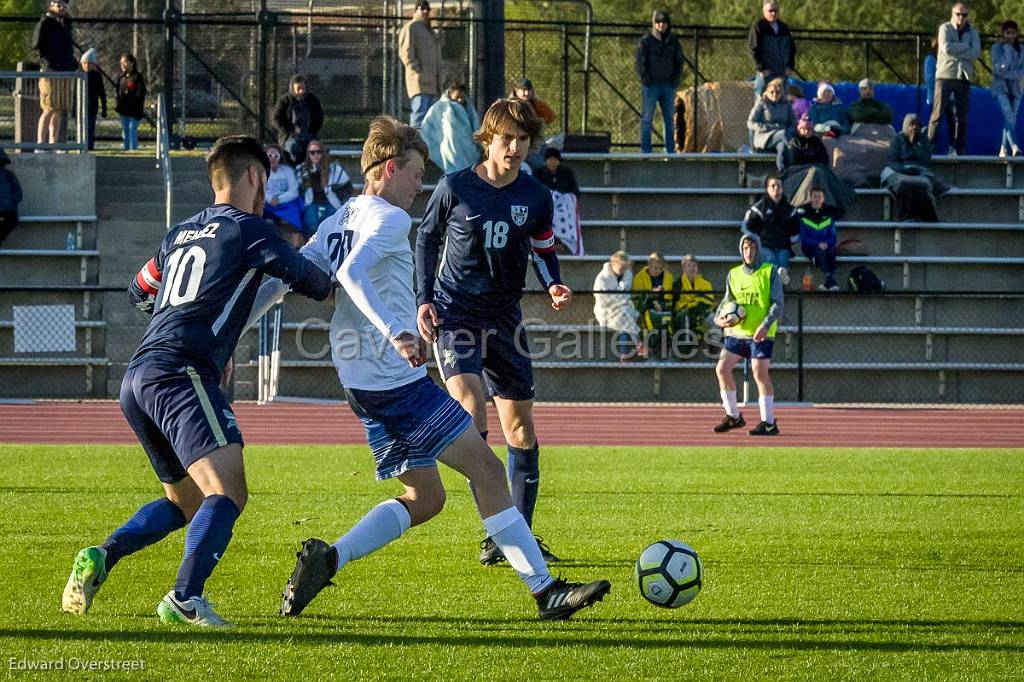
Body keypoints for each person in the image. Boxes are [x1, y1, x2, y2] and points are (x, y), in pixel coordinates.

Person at [248, 116, 610, 621]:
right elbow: (351, 273)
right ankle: (545, 591)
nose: (421, 185)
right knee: (487, 468)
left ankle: (331, 557)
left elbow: (287, 278)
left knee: (426, 496)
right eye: (416, 174)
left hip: (357, 381)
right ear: (391, 167)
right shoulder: (390, 218)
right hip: (392, 380)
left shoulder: (341, 216)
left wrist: (229, 331)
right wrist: (396, 333)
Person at [60, 136, 334, 627]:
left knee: (184, 500)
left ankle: (104, 554)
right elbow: (314, 282)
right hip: (181, 372)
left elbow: (139, 290)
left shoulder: (178, 233)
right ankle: (184, 598)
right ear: (254, 177)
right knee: (227, 493)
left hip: (139, 376)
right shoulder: (251, 230)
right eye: (265, 184)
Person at [415, 99, 571, 565]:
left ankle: (515, 536)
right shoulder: (455, 186)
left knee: (520, 427)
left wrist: (554, 281)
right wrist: (424, 298)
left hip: (506, 319)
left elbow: (543, 247)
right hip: (456, 314)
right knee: (469, 404)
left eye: (524, 139)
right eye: (508, 138)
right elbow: (426, 238)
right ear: (487, 139)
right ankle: (495, 523)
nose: (517, 147)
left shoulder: (536, 196)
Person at [713, 233, 782, 436]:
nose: (749, 252)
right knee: (722, 368)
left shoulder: (769, 272)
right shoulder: (733, 274)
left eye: (752, 248)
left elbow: (778, 303)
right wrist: (719, 319)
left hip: (761, 332)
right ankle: (734, 416)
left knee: (759, 373)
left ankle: (769, 423)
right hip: (737, 332)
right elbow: (727, 302)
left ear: (758, 249)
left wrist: (765, 325)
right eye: (745, 248)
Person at [927, 3, 980, 156]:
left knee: (962, 116)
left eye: (964, 15)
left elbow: (975, 52)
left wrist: (958, 48)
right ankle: (929, 147)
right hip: (945, 76)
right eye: (958, 14)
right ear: (952, 14)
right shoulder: (944, 28)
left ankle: (958, 149)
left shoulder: (973, 32)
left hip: (963, 76)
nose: (960, 18)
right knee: (937, 114)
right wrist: (965, 46)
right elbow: (945, 48)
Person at [882, 113, 951, 222]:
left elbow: (925, 159)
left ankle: (927, 217)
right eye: (911, 124)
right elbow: (892, 160)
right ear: (905, 125)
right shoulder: (898, 138)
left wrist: (914, 142)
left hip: (919, 171)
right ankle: (905, 216)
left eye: (917, 125)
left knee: (923, 184)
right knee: (901, 184)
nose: (914, 127)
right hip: (898, 170)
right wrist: (904, 169)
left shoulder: (923, 140)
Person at [635, 8, 684, 154]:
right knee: (647, 120)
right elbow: (640, 62)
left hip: (668, 86)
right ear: (654, 24)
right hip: (651, 86)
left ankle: (669, 151)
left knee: (669, 121)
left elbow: (679, 62)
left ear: (668, 24)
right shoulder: (646, 41)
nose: (661, 25)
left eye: (663, 22)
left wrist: (675, 80)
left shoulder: (673, 42)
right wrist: (646, 78)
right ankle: (646, 151)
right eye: (658, 22)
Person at [33, 0, 76, 147]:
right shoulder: (46, 23)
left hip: (64, 69)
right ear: (51, 5)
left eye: (64, 6)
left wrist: (73, 64)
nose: (62, 8)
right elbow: (38, 47)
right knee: (48, 107)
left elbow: (68, 47)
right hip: (50, 70)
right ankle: (41, 142)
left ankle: (53, 142)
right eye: (59, 5)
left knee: (59, 108)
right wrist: (46, 65)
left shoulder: (66, 24)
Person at [742, 174, 798, 285]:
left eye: (778, 186)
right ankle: (777, 280)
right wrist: (757, 242)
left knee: (783, 260)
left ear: (782, 189)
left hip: (783, 246)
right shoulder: (759, 208)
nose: (776, 189)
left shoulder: (790, 210)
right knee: (771, 262)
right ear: (767, 189)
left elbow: (796, 231)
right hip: (765, 245)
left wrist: (787, 241)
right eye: (773, 186)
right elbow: (747, 227)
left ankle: (777, 292)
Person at [419, 81, 482, 174]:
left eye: (462, 97)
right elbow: (428, 131)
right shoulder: (440, 107)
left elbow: (476, 128)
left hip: (467, 150)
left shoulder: (469, 109)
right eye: (457, 97)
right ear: (450, 92)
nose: (460, 100)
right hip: (449, 150)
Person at [399, 1, 443, 127]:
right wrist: (417, 71)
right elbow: (405, 52)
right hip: (419, 82)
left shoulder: (428, 30)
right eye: (422, 8)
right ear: (416, 10)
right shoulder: (411, 27)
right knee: (419, 115)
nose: (425, 11)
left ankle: (428, 145)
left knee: (431, 118)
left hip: (433, 82)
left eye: (428, 9)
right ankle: (414, 144)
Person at [297, 140, 353, 239]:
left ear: (323, 153)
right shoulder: (302, 170)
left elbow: (347, 187)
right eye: (312, 152)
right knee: (311, 224)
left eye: (318, 152)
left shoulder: (334, 169)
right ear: (308, 154)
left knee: (329, 226)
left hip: (331, 202)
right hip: (311, 203)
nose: (315, 155)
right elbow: (297, 189)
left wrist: (340, 198)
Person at [593, 251, 642, 360]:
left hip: (623, 310)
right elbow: (604, 301)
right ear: (613, 263)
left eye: (625, 267)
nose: (623, 270)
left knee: (623, 318)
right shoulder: (602, 279)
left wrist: (620, 300)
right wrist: (620, 301)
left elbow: (626, 295)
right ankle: (638, 341)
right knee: (624, 314)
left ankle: (624, 353)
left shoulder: (627, 274)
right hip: (607, 311)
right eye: (621, 266)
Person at [534, 147, 583, 255]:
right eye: (550, 160)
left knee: (563, 215)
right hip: (545, 203)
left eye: (555, 160)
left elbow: (574, 190)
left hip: (564, 203)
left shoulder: (567, 173)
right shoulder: (538, 173)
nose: (552, 162)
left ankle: (564, 243)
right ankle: (551, 242)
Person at [272, 75, 324, 165]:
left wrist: (312, 131)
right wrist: (291, 129)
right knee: (295, 148)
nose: (301, 91)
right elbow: (276, 119)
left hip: (308, 134)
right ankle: (295, 169)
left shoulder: (312, 100)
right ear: (292, 88)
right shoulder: (285, 101)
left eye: (303, 88)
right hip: (290, 136)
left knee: (314, 149)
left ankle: (310, 172)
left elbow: (319, 118)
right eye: (298, 89)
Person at [794, 187, 839, 291]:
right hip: (810, 247)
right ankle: (830, 280)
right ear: (810, 198)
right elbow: (804, 237)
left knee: (831, 252)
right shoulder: (804, 216)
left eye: (819, 197)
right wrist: (818, 243)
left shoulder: (828, 216)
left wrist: (827, 243)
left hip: (825, 246)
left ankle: (828, 283)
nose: (817, 199)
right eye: (814, 196)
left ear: (823, 199)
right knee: (821, 251)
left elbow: (832, 236)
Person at [749, 0, 796, 99]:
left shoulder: (783, 27)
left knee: (782, 101)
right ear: (764, 11)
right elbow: (753, 49)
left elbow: (791, 48)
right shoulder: (759, 27)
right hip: (767, 72)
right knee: (762, 100)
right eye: (770, 10)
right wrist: (761, 68)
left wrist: (790, 66)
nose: (773, 13)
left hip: (782, 72)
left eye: (776, 10)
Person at [992, 20, 1024, 158]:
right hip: (1000, 88)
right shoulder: (997, 48)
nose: (1010, 36)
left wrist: (1010, 75)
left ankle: (1003, 149)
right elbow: (999, 69)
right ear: (1003, 34)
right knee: (1008, 115)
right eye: (1007, 33)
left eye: (1013, 33)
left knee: (1010, 119)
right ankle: (1014, 145)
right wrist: (1008, 51)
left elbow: (1022, 71)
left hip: (1017, 89)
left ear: (1016, 34)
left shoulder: (1022, 49)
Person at [748, 77, 795, 170]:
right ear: (767, 92)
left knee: (782, 147)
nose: (774, 94)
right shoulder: (761, 103)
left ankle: (782, 171)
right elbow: (750, 123)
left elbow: (793, 123)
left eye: (777, 92)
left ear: (781, 93)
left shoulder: (787, 105)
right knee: (782, 134)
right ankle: (794, 153)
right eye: (772, 92)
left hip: (782, 137)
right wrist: (768, 127)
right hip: (764, 137)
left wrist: (790, 131)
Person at [633, 251, 675, 347]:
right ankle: (651, 347)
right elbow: (637, 300)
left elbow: (670, 297)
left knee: (669, 318)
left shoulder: (669, 277)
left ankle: (665, 350)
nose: (658, 271)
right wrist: (652, 293)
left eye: (661, 268)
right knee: (650, 319)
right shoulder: (639, 278)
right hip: (646, 307)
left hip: (664, 307)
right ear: (649, 265)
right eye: (655, 268)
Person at [672, 254, 715, 339]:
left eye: (694, 266)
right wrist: (695, 303)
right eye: (689, 266)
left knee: (716, 320)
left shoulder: (705, 283)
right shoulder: (677, 284)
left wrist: (693, 304)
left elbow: (707, 302)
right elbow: (676, 305)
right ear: (683, 269)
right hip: (684, 314)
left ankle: (714, 346)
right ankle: (686, 347)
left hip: (703, 313)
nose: (692, 268)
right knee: (684, 317)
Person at [263, 143, 303, 231]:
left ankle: (296, 244)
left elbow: (294, 191)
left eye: (276, 156)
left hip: (286, 203)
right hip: (268, 204)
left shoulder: (288, 171)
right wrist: (270, 199)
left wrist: (279, 199)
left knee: (294, 219)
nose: (272, 159)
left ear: (280, 157)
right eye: (270, 156)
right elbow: (261, 190)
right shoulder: (262, 172)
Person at [115, 53, 146, 151]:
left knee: (132, 130)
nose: (122, 65)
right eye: (121, 63)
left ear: (132, 63)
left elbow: (140, 93)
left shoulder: (137, 78)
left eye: (125, 62)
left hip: (134, 110)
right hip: (124, 110)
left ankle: (134, 150)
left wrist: (134, 103)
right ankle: (126, 150)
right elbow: (118, 93)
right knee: (125, 132)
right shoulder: (121, 78)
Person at [80, 49, 106, 151]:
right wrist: (74, 110)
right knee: (81, 127)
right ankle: (82, 145)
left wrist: (104, 109)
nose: (86, 65)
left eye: (89, 63)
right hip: (81, 107)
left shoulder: (97, 76)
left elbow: (102, 93)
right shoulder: (80, 75)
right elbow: (75, 94)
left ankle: (89, 145)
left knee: (90, 127)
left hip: (92, 107)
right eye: (84, 63)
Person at [0, 149, 23, 247]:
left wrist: (10, 202)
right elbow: (18, 193)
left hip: (8, 210)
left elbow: (18, 193)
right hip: (10, 210)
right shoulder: (9, 174)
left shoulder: (8, 175)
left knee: (10, 221)